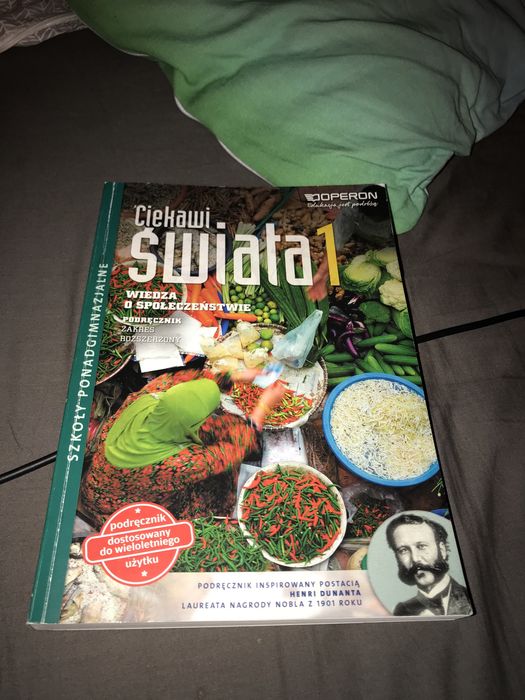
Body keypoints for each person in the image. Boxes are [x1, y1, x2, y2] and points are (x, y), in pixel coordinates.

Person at [80, 367, 287, 528]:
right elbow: (234, 450)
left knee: (219, 428)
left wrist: (234, 376)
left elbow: (182, 379)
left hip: (101, 480)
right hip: (120, 508)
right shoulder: (176, 464)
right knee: (217, 485)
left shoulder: (151, 396)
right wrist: (262, 408)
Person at [385, 512, 472, 617]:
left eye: (421, 546)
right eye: (404, 550)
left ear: (442, 550)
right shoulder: (402, 611)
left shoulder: (472, 598)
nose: (415, 559)